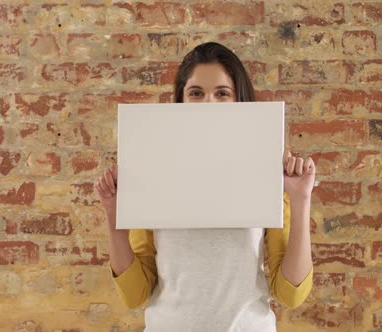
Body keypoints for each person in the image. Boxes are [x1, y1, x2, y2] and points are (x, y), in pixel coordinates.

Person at [94, 42, 315, 331]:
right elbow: (136, 295)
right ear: (181, 100)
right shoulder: (154, 171)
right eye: (196, 93)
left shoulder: (266, 174)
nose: (208, 103)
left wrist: (300, 200)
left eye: (222, 93)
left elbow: (292, 294)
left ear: (239, 101)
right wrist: (115, 214)